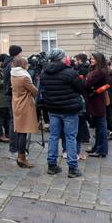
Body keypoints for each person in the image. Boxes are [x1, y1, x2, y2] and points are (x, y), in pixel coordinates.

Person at [40, 48, 84, 178]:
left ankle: (52, 165)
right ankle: (72, 168)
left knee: (53, 137)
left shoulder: (44, 73)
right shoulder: (70, 73)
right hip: (69, 110)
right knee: (70, 137)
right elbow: (81, 88)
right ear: (61, 58)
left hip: (53, 109)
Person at [10, 57, 38, 168]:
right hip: (25, 105)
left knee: (20, 131)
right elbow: (35, 91)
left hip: (17, 103)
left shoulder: (13, 74)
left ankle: (20, 156)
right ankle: (22, 157)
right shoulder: (24, 77)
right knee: (23, 132)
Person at [85, 53, 109, 157]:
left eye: (93, 58)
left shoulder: (99, 72)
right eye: (91, 58)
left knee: (101, 126)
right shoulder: (95, 70)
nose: (91, 59)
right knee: (98, 127)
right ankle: (97, 147)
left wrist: (84, 80)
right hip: (95, 100)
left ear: (99, 60)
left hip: (97, 101)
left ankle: (101, 150)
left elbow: (87, 84)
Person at [3, 45, 23, 160]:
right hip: (13, 95)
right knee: (14, 121)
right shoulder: (12, 65)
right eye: (20, 53)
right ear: (17, 53)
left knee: (14, 121)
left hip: (11, 95)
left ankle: (15, 148)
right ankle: (13, 149)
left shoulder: (9, 63)